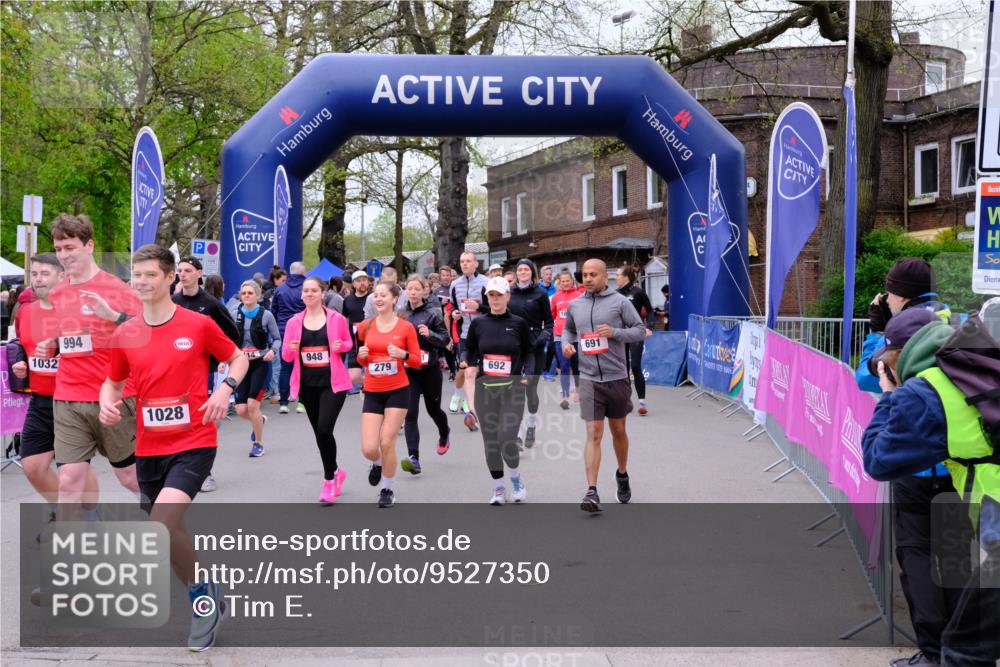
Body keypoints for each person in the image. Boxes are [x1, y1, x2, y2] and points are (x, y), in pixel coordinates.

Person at [99, 244, 248, 652]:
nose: (142, 281)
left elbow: (238, 359)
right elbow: (112, 381)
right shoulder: (126, 332)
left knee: (159, 525)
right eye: (137, 274)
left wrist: (224, 390)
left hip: (194, 442)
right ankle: (205, 597)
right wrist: (107, 402)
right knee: (170, 532)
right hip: (149, 447)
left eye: (151, 274)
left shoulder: (197, 325)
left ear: (170, 278)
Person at [861, 309, 997, 667]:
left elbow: (877, 460)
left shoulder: (926, 391)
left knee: (965, 650)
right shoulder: (979, 363)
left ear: (896, 355)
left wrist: (889, 395)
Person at [856, 258, 959, 667]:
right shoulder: (955, 320)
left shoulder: (900, 330)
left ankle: (933, 653)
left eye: (888, 292)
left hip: (914, 464)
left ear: (898, 294)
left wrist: (877, 331)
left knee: (917, 557)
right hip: (960, 465)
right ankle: (963, 651)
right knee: (958, 561)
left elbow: (868, 376)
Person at [48, 213, 142, 515]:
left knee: (130, 477)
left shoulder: (119, 290)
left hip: (114, 397)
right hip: (69, 397)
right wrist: (52, 346)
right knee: (68, 481)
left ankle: (169, 522)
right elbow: (71, 338)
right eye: (58, 249)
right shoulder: (57, 292)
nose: (64, 255)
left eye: (70, 247)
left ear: (89, 246)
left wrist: (113, 317)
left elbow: (146, 336)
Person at [11, 254, 99, 519]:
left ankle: (88, 516)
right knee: (32, 465)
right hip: (40, 399)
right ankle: (63, 511)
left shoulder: (81, 310)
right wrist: (21, 364)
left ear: (62, 277)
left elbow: (98, 348)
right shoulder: (26, 312)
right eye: (35, 274)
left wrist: (66, 353)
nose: (38, 279)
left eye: (45, 274)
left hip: (74, 399)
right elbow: (23, 345)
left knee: (74, 467)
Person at [563, 259, 646, 512]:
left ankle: (622, 473)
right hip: (589, 379)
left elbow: (640, 330)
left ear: (604, 277)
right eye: (584, 275)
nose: (587, 279)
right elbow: (568, 330)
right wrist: (566, 344)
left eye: (593, 275)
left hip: (616, 377)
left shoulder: (620, 302)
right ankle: (592, 491)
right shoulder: (575, 305)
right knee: (594, 433)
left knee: (618, 430)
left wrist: (615, 333)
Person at [462, 276, 536, 505]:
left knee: (506, 438)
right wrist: (466, 360)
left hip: (513, 389)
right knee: (491, 442)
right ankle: (498, 487)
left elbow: (529, 352)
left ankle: (516, 479)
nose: (495, 299)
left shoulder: (518, 323)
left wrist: (528, 374)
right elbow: (468, 349)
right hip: (486, 390)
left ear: (508, 297)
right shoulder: (478, 324)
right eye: (491, 295)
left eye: (499, 295)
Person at [172, 256, 240, 492]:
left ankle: (204, 472)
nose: (182, 274)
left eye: (188, 270)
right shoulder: (173, 301)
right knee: (179, 421)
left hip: (204, 371)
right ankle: (177, 468)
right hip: (176, 371)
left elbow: (233, 335)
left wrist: (219, 357)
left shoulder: (211, 304)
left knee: (202, 421)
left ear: (199, 274)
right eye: (180, 270)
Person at [282, 277, 352, 503]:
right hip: (307, 384)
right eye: (306, 291)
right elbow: (286, 356)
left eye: (314, 290)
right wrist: (291, 348)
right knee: (320, 435)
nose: (309, 294)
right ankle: (336, 471)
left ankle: (329, 481)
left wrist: (341, 346)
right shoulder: (294, 322)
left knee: (324, 429)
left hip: (333, 384)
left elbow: (349, 343)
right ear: (301, 295)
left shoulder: (336, 319)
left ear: (323, 293)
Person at [356, 281, 422, 507]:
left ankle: (387, 489)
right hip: (373, 390)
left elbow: (417, 360)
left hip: (397, 390)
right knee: (369, 448)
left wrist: (403, 354)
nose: (378, 299)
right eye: (376, 295)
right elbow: (363, 361)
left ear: (394, 299)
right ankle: (377, 463)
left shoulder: (406, 327)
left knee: (387, 441)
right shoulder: (365, 326)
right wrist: (362, 356)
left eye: (383, 295)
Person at [401, 275, 452, 470]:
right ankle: (413, 458)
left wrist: (430, 334)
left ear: (424, 291)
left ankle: (444, 432)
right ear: (406, 291)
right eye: (410, 288)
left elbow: (445, 340)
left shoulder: (433, 313)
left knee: (433, 410)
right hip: (409, 370)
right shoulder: (401, 314)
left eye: (417, 289)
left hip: (430, 370)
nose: (413, 292)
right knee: (410, 413)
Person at [507, 259, 553, 448]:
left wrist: (541, 338)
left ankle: (531, 425)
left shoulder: (540, 293)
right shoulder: (509, 292)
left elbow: (549, 323)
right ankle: (517, 434)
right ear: (516, 273)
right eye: (520, 269)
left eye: (526, 269)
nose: (523, 272)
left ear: (532, 272)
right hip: (514, 344)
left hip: (534, 346)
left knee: (530, 390)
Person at [232, 280, 280, 456]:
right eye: (243, 293)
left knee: (252, 405)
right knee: (241, 410)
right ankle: (260, 420)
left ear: (258, 296)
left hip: (260, 363)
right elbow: (228, 339)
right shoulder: (234, 313)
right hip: (240, 364)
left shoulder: (266, 315)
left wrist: (272, 351)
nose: (246, 295)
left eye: (250, 293)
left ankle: (258, 444)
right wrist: (223, 360)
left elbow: (277, 338)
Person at [450, 252, 489, 431]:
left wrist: (478, 307)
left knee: (480, 373)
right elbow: (454, 307)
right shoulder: (455, 284)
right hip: (465, 334)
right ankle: (470, 408)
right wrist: (454, 313)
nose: (464, 264)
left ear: (475, 264)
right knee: (466, 370)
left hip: (484, 333)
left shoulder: (485, 282)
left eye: (468, 261)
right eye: (462, 261)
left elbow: (493, 308)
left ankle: (476, 405)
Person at [616, 266, 655, 416]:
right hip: (620, 334)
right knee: (623, 368)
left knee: (635, 366)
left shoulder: (638, 292)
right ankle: (626, 401)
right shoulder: (615, 294)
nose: (616, 277)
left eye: (618, 275)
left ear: (626, 277)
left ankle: (642, 403)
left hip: (635, 333)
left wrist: (649, 327)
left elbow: (650, 310)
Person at [271, 261, 306, 413]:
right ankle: (302, 403)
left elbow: (274, 311)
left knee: (285, 367)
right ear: (303, 273)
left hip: (283, 330)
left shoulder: (280, 288)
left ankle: (284, 403)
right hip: (304, 328)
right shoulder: (307, 288)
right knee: (304, 366)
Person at [551, 270, 584, 409]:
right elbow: (553, 314)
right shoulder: (555, 297)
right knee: (564, 365)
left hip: (575, 335)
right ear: (560, 282)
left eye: (567, 280)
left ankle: (577, 389)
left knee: (576, 365)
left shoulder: (579, 295)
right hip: (559, 335)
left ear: (572, 281)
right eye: (563, 281)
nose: (565, 283)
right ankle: (565, 396)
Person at [344, 270, 371, 393]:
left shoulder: (373, 298)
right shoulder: (348, 300)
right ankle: (368, 382)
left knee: (374, 371)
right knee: (353, 377)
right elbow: (345, 318)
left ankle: (373, 387)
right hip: (354, 342)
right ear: (353, 284)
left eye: (364, 280)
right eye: (359, 281)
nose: (362, 283)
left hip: (371, 341)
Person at [433, 265, 458, 380]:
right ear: (440, 277)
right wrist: (440, 302)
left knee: (457, 346)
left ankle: (458, 367)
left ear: (451, 276)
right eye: (443, 275)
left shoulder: (455, 288)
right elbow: (432, 307)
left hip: (456, 321)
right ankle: (452, 371)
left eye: (448, 275)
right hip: (442, 323)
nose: (446, 277)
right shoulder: (436, 291)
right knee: (447, 346)